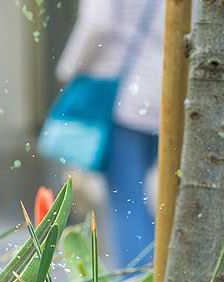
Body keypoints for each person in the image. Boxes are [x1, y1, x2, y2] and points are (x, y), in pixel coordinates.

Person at [56, 0, 163, 268]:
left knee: (127, 201)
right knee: (141, 196)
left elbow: (97, 24)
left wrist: (67, 69)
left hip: (123, 97)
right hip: (161, 96)